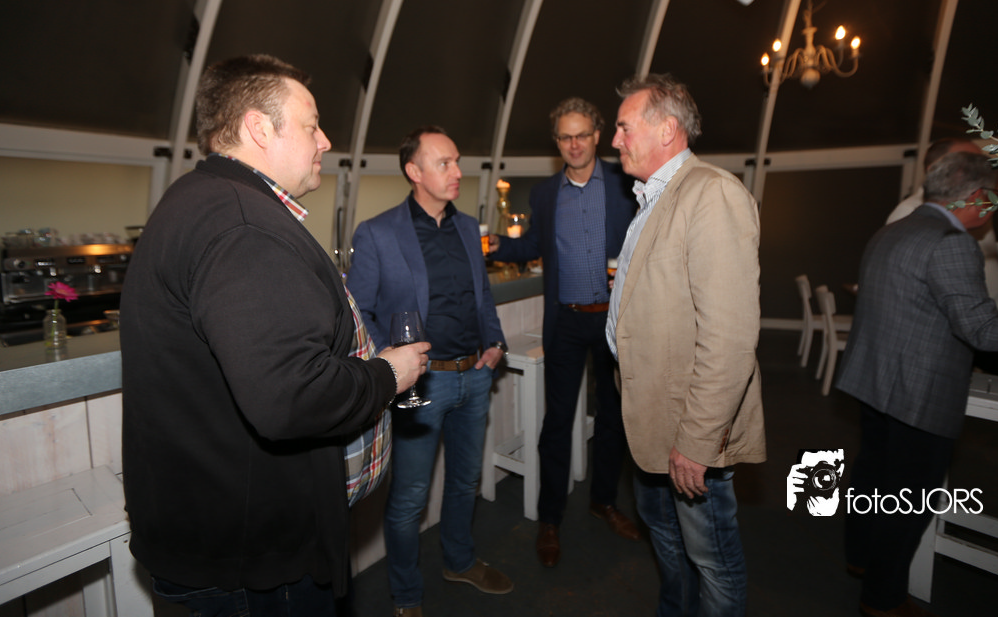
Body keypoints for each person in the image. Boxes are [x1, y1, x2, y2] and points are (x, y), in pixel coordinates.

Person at [120, 54, 429, 616]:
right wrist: (389, 373)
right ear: (259, 129)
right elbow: (291, 397)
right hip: (253, 564)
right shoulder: (243, 227)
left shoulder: (205, 200)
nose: (326, 141)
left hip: (223, 536)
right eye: (312, 125)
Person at [835, 151, 998, 617]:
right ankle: (882, 600)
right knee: (910, 498)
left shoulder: (893, 229)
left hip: (874, 379)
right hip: (918, 390)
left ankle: (861, 558)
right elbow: (983, 332)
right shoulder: (952, 242)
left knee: (874, 476)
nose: (996, 206)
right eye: (995, 196)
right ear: (975, 196)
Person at [605, 73, 766, 617]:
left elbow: (730, 338)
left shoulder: (711, 194)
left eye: (624, 127)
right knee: (666, 542)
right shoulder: (654, 198)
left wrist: (697, 442)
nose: (615, 140)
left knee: (712, 559)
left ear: (667, 130)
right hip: (650, 416)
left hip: (689, 428)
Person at [346, 125, 512, 617]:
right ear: (414, 172)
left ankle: (459, 561)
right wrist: (392, 361)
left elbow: (482, 294)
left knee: (464, 482)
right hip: (420, 386)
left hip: (474, 375)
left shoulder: (467, 227)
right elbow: (358, 311)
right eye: (444, 163)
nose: (457, 171)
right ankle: (406, 596)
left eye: (457, 161)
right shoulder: (377, 232)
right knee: (410, 498)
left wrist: (495, 342)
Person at [486, 97, 640, 566]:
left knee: (614, 416)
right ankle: (550, 518)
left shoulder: (625, 182)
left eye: (582, 135)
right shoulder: (545, 193)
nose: (574, 144)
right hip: (567, 321)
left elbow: (647, 240)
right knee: (557, 421)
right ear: (557, 142)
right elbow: (534, 244)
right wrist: (495, 246)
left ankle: (603, 501)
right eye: (565, 137)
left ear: (597, 136)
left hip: (615, 319)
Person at [887, 137, 998, 310]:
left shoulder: (972, 205)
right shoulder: (911, 212)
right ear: (935, 169)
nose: (978, 168)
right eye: (965, 161)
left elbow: (989, 253)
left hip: (986, 315)